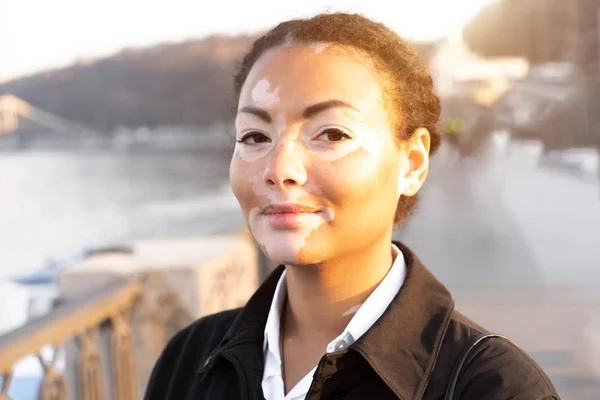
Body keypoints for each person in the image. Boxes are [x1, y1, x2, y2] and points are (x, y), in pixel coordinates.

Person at [144, 13, 560, 400]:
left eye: (333, 133)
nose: (279, 169)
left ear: (412, 163)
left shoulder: (491, 386)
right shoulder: (191, 360)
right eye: (254, 136)